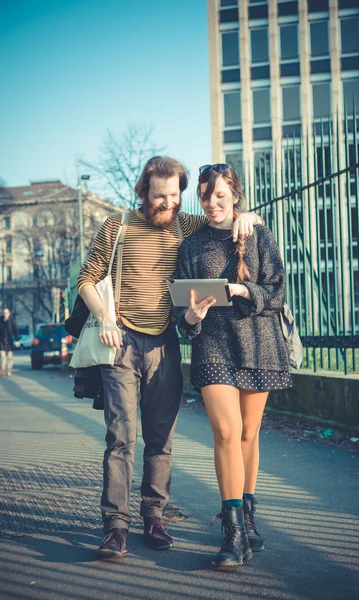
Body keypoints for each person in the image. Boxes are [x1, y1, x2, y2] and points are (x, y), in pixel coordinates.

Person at [76, 156, 263, 560]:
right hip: (120, 342)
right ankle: (115, 527)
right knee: (120, 439)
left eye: (176, 196)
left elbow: (228, 215)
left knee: (161, 440)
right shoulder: (118, 226)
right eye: (160, 196)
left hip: (165, 344)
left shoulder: (186, 224)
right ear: (144, 190)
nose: (169, 204)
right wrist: (105, 316)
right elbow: (86, 279)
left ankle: (154, 517)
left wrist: (251, 215)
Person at [174, 163, 291, 569]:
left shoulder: (256, 233)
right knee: (226, 431)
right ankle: (234, 533)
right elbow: (181, 319)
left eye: (219, 196)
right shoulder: (190, 247)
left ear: (235, 196)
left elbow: (276, 291)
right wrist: (190, 317)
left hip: (258, 344)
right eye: (205, 196)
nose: (211, 204)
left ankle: (248, 515)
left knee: (249, 433)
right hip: (212, 348)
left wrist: (242, 289)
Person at [0, 307, 19, 376]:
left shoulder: (11, 321)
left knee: (10, 357)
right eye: (4, 313)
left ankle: (8, 370)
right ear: (2, 313)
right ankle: (2, 368)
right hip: (1, 342)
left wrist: (16, 340)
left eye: (7, 313)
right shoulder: (0, 321)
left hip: (10, 342)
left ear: (9, 314)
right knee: (2, 356)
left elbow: (15, 331)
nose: (5, 314)